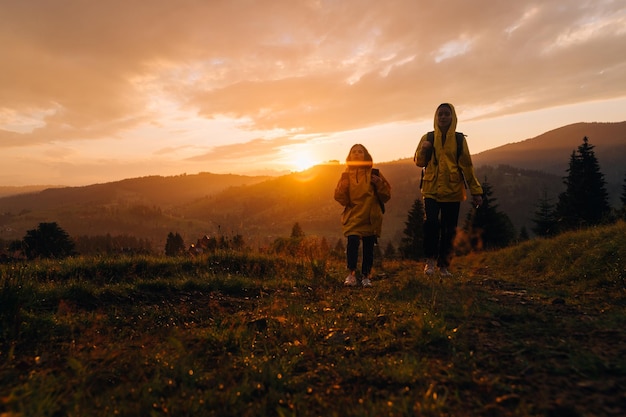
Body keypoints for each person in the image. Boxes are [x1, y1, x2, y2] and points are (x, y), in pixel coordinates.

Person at [414, 103, 483, 277]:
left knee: (449, 229)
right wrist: (423, 150)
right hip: (431, 189)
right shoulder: (427, 137)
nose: (443, 117)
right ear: (435, 118)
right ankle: (430, 261)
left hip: (453, 189)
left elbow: (467, 166)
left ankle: (443, 265)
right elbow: (418, 162)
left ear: (452, 117)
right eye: (440, 114)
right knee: (431, 224)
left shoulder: (460, 140)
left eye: (446, 114)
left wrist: (476, 192)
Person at [334, 144, 391, 287]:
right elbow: (341, 200)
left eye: (360, 152)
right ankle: (351, 275)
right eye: (354, 152)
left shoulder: (375, 173)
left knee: (368, 246)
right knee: (352, 241)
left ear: (365, 155)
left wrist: (379, 184)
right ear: (350, 156)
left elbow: (386, 196)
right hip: (353, 214)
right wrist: (343, 187)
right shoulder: (346, 175)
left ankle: (366, 276)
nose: (357, 154)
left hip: (371, 215)